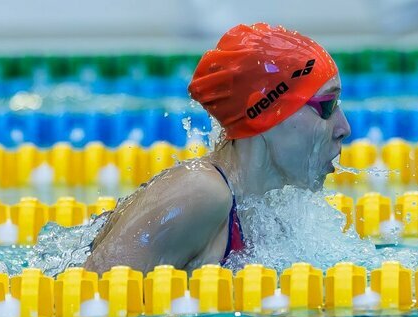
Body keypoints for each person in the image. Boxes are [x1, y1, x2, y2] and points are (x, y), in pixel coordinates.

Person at [84, 23, 351, 273]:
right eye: (327, 105)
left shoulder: (268, 205)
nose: (344, 128)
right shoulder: (201, 191)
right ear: (266, 113)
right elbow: (93, 296)